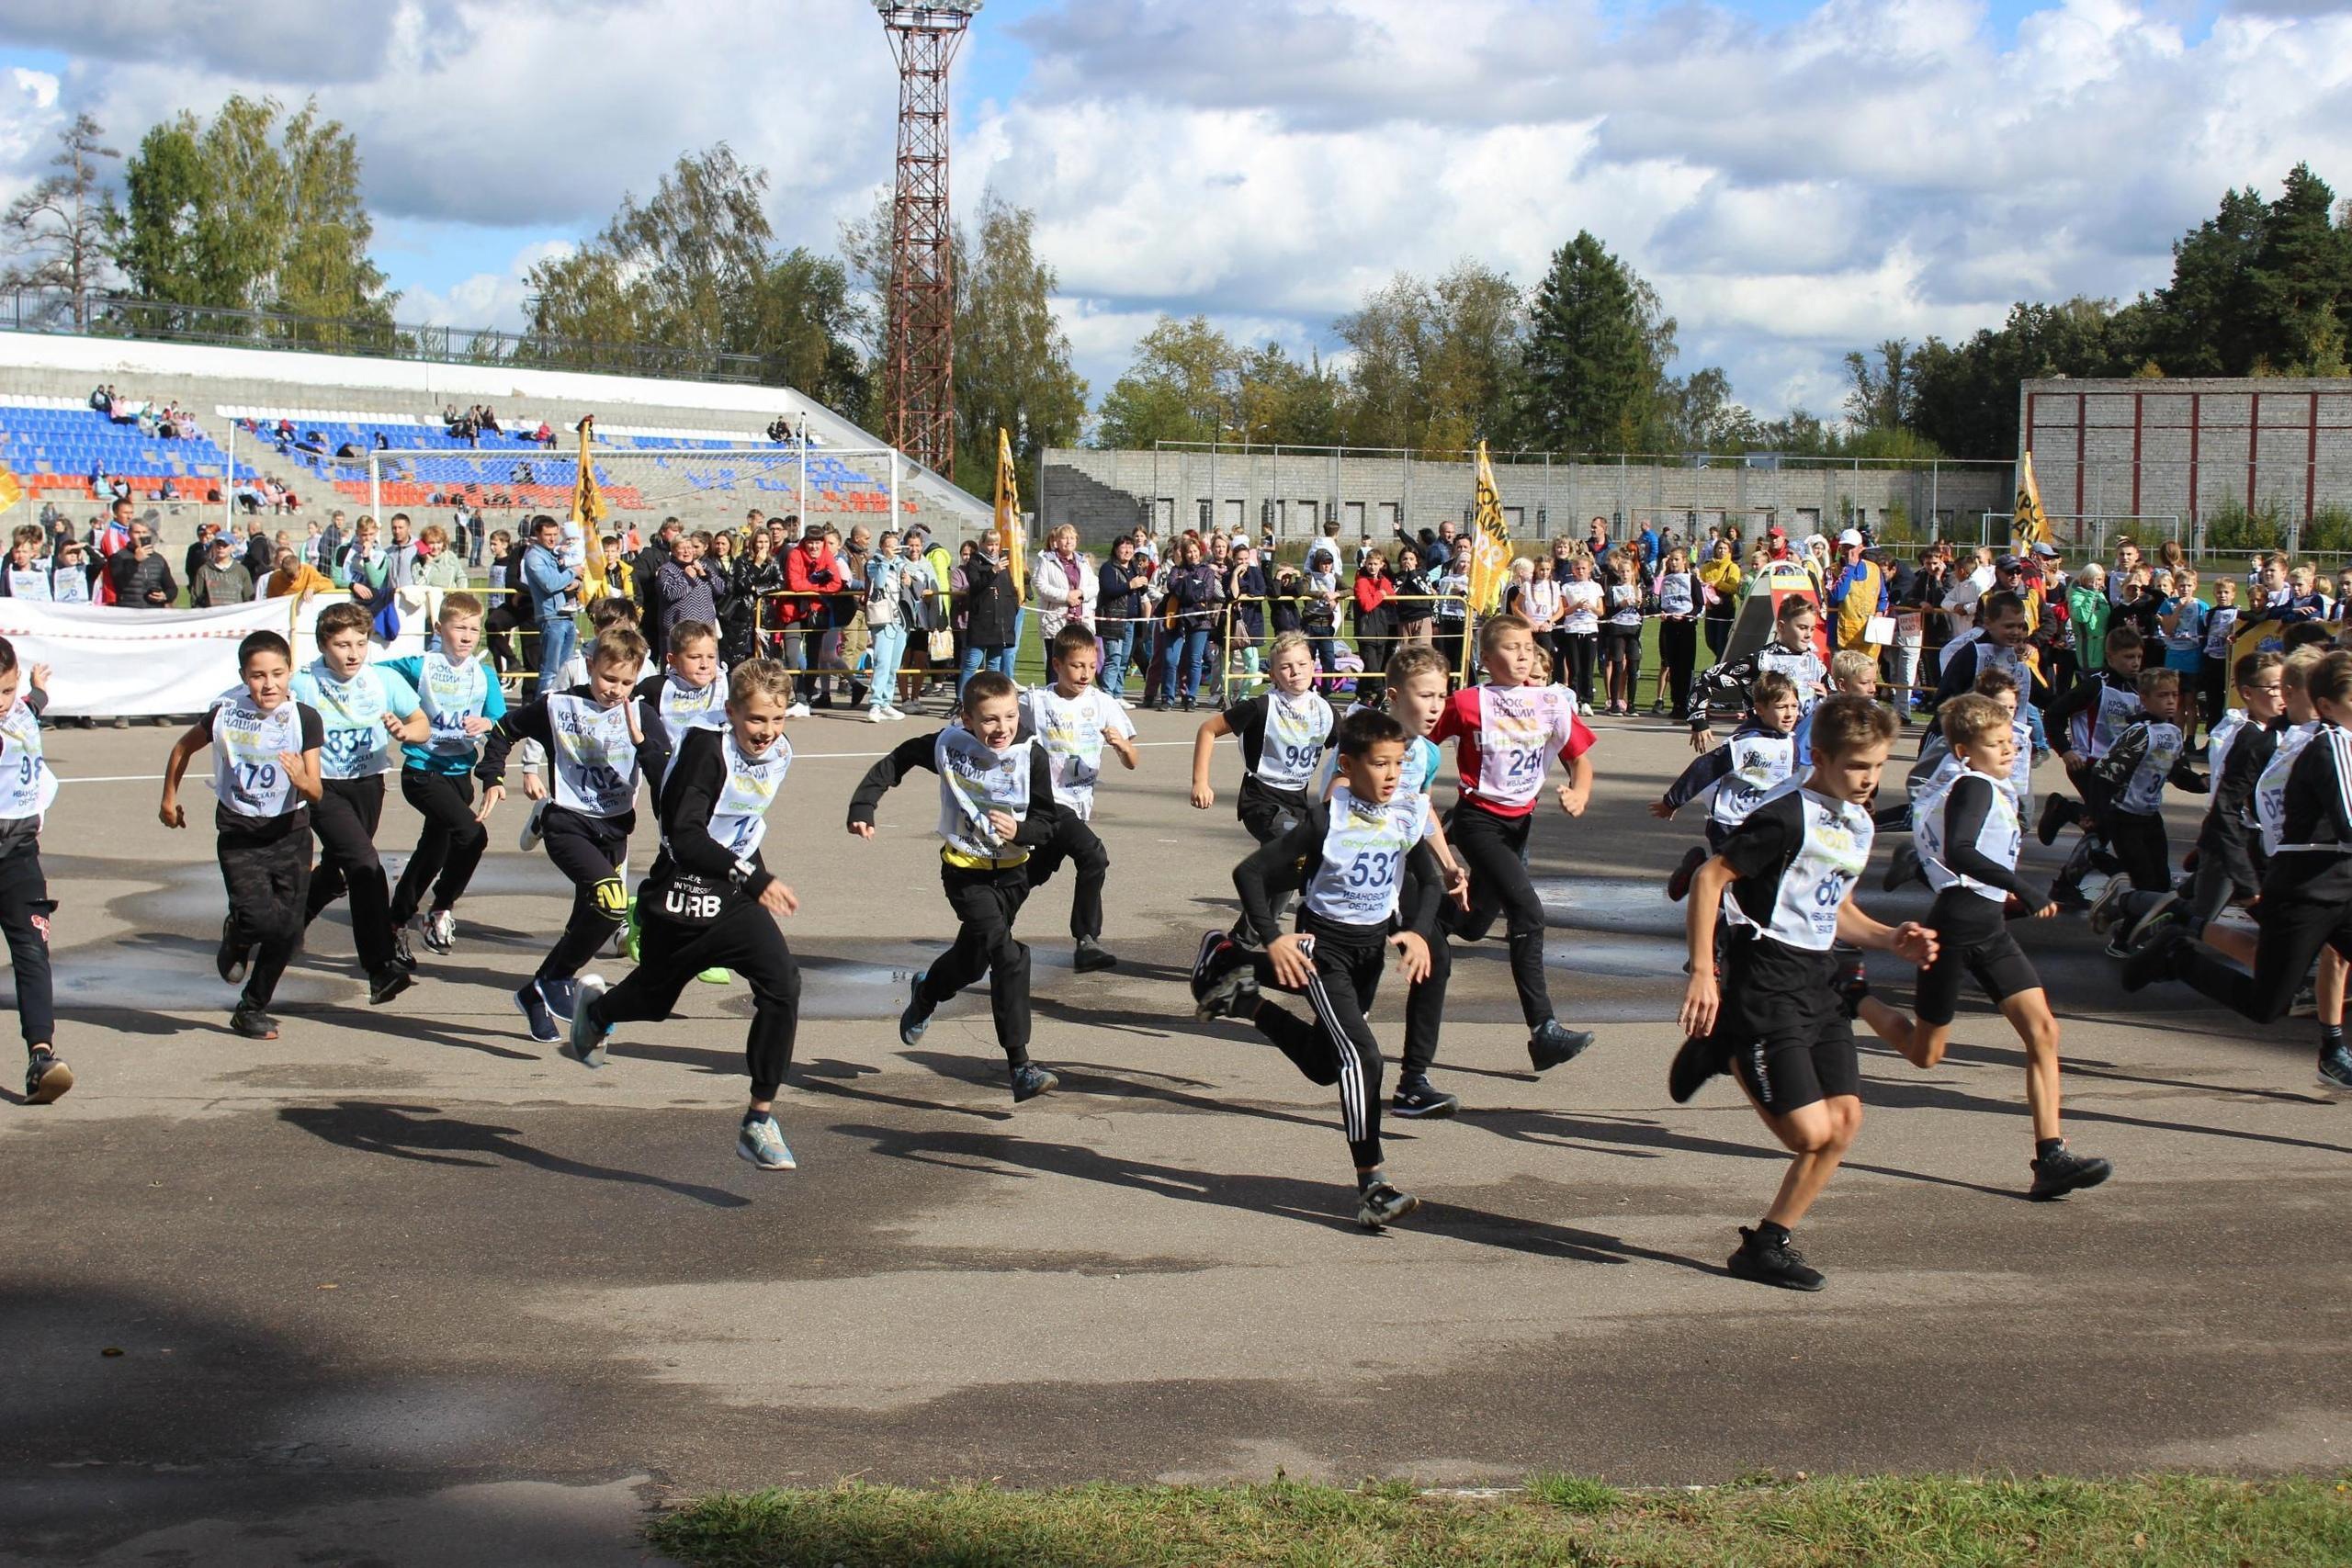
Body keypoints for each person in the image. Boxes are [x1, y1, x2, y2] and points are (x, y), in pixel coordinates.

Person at [1668, 694, 1939, 1291]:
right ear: (1819, 756)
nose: (1869, 779)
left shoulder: (1860, 821)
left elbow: (1835, 908)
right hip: (1765, 978)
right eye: (1856, 766)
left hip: (1820, 978)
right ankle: (1726, 1046)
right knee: (1808, 1133)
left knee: (1844, 1122)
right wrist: (1703, 971)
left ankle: (1767, 1242)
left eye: (1877, 766)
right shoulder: (1788, 815)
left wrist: (1893, 936)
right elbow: (1712, 877)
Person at [1190, 705, 1444, 1230]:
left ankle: (1239, 987)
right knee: (1363, 1058)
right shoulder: (1328, 820)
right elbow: (1251, 872)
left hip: (1369, 952)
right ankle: (1372, 1184)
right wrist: (1274, 937)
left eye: (1398, 763)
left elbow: (1432, 881)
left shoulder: (1405, 815)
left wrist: (1417, 930)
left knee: (1324, 1064)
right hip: (1323, 947)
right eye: (1380, 764)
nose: (1392, 774)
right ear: (1348, 767)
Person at [1850, 694, 2112, 1200]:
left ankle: (2050, 1156)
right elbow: (1961, 851)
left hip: (1989, 927)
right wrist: (2026, 886)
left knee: (2043, 1033)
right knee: (1925, 1055)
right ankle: (1852, 994)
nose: (2010, 749)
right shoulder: (1972, 785)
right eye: (1996, 744)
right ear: (1966, 750)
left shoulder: (1986, 783)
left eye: (2011, 739)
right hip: (1957, 923)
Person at [567, 660, 808, 1168]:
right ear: (731, 713)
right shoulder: (706, 750)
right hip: (680, 895)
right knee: (653, 1002)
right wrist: (755, 878)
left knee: (783, 983)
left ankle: (759, 1119)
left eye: (778, 719)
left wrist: (752, 879)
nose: (767, 733)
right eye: (756, 721)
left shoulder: (781, 751)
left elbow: (743, 826)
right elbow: (686, 837)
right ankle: (599, 1011)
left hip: (736, 894)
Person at [2122, 649, 2352, 1091]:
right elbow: (2345, 823)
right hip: (2306, 889)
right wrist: (2245, 877)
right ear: (2326, 704)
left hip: (2334, 883)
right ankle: (2178, 955)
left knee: (2328, 963)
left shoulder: (2309, 737)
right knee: (2266, 1006)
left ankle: (2331, 1046)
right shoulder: (2327, 743)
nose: (2282, 698)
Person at [845, 670, 1065, 1103]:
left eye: (1008, 717)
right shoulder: (950, 746)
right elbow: (899, 757)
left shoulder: (1030, 757)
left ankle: (926, 991)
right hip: (966, 873)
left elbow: (1047, 823)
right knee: (1008, 954)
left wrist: (1020, 829)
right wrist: (864, 803)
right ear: (967, 719)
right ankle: (1020, 1065)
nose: (1001, 728)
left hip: (1013, 875)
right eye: (989, 719)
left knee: (971, 962)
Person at [1430, 613, 1599, 1069]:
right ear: (1486, 659)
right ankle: (1544, 1030)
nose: (1523, 654)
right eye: (1511, 647)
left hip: (1518, 826)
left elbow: (1579, 760)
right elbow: (1419, 739)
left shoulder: (1550, 702)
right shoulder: (1468, 703)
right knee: (1528, 913)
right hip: (1477, 820)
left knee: (1472, 924)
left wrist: (1579, 792)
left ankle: (1419, 921)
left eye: (1528, 646)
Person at [477, 626, 654, 1043]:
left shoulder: (640, 712)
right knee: (612, 901)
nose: (616, 689)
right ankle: (556, 980)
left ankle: (535, 992)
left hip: (612, 829)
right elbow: (504, 731)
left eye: (627, 682)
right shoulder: (559, 705)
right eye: (609, 678)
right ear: (591, 666)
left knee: (584, 925)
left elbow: (663, 765)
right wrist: (493, 775)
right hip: (567, 822)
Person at [158, 631, 326, 1040]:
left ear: (290, 673)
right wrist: (168, 799)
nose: (268, 684)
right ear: (243, 677)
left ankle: (251, 1008)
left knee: (288, 932)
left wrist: (301, 778)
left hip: (290, 833)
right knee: (258, 919)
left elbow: (316, 790)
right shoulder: (224, 715)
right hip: (240, 832)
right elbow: (182, 748)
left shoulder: (304, 718)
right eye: (257, 675)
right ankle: (237, 934)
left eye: (277, 674)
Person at [2092, 650, 2284, 961]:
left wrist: (2201, 783)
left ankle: (2134, 918)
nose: (2171, 701)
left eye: (2174, 695)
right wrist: (2100, 818)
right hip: (2134, 818)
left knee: (2174, 890)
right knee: (2191, 908)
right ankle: (2132, 917)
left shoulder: (2173, 733)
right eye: (2273, 687)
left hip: (2157, 816)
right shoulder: (2234, 733)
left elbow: (2179, 773)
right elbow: (2104, 776)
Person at [290, 603, 430, 1006]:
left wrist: (406, 731)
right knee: (365, 864)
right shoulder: (303, 683)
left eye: (360, 642)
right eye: (341, 644)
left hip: (367, 785)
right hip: (322, 788)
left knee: (339, 873)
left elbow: (421, 723)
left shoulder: (381, 679)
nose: (353, 653)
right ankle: (379, 967)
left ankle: (283, 929)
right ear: (322, 645)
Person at [379, 593, 505, 954]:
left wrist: (488, 721)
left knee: (432, 852)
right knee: (472, 835)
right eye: (458, 628)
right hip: (422, 770)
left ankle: (396, 921)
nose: (467, 636)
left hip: (458, 772)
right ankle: (441, 907)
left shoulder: (484, 674)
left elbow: (501, 721)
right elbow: (376, 672)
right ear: (439, 629)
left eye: (473, 629)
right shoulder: (421, 665)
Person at [1190, 635, 1337, 933]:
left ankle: (1238, 944)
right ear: (1272, 674)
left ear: (1313, 667)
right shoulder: (1261, 707)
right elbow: (1208, 729)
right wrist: (1200, 782)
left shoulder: (1323, 711)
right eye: (1285, 667)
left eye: (1301, 664)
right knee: (1296, 856)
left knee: (1286, 877)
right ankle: (1245, 945)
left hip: (1297, 803)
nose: (1295, 672)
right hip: (1261, 800)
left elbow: (1349, 750)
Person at [1020, 623, 1139, 974]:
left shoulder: (1103, 704)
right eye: (1077, 665)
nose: (1085, 673)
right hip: (1047, 804)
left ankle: (991, 914)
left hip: (1077, 805)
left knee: (1034, 872)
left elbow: (1133, 762)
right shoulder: (1036, 702)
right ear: (1056, 664)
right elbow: (996, 720)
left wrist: (1123, 747)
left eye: (1091, 665)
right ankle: (1087, 940)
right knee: (1093, 855)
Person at [1654, 671, 1802, 904]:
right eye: (1782, 707)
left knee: (1758, 885)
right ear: (1761, 709)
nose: (1790, 713)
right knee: (1733, 884)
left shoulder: (1789, 740)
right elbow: (1704, 767)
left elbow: (1790, 782)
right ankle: (1697, 878)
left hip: (1763, 822)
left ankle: (1702, 878)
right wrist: (1672, 801)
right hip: (1731, 821)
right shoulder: (1748, 743)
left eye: (1794, 706)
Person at [0, 643, 67, 1101]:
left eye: (5, 690)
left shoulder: (22, 708)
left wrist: (37, 691)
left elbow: (30, 705)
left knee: (32, 951)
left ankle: (40, 1055)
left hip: (20, 855)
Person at [1685, 592, 1829, 750]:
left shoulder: (1815, 663)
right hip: (1764, 744)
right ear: (1781, 627)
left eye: (1812, 629)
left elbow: (1839, 698)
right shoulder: (1762, 661)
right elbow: (1708, 678)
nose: (1808, 634)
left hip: (1805, 745)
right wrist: (1699, 721)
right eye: (1802, 628)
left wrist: (1826, 697)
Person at [518, 514, 580, 702]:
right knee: (550, 671)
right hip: (552, 618)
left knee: (564, 670)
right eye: (548, 535)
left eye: (555, 534)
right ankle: (540, 711)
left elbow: (570, 580)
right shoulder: (534, 557)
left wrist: (577, 582)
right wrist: (572, 573)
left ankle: (558, 706)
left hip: (567, 617)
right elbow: (550, 583)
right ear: (538, 534)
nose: (553, 538)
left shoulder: (555, 553)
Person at [955, 529, 1022, 695]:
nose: (993, 548)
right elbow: (976, 586)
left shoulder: (1003, 565)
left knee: (994, 664)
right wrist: (992, 571)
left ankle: (990, 698)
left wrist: (1013, 608)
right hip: (981, 623)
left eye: (996, 544)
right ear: (982, 544)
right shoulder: (974, 563)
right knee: (972, 663)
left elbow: (1010, 590)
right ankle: (962, 700)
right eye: (990, 544)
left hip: (1000, 623)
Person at [1160, 535, 1222, 710]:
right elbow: (1173, 587)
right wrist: (1193, 586)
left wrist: (1186, 586)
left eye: (1195, 551)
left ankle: (1191, 697)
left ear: (1200, 552)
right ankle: (1168, 697)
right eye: (1189, 552)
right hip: (1177, 619)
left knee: (1195, 660)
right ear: (1185, 554)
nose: (1192, 555)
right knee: (1171, 659)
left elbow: (1207, 593)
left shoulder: (1207, 572)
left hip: (1199, 621)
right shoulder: (1176, 570)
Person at [861, 530, 915, 724]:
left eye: (896, 546)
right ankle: (875, 703)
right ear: (882, 547)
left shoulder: (902, 564)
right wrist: (886, 561)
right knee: (882, 662)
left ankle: (886, 702)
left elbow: (915, 587)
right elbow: (879, 583)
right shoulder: (874, 563)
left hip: (900, 620)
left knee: (893, 665)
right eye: (889, 546)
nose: (893, 549)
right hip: (883, 619)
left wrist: (908, 581)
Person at [1096, 536, 1149, 705]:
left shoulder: (1134, 566)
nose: (1127, 550)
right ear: (1116, 549)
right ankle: (1106, 695)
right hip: (1114, 619)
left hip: (1132, 620)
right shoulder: (1108, 568)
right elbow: (1108, 589)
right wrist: (1130, 585)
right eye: (1123, 547)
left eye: (1130, 547)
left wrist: (1143, 584)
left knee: (1124, 659)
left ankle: (1118, 694)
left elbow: (1139, 592)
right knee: (1114, 657)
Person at [1652, 545, 1702, 717]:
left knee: (1685, 666)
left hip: (1686, 626)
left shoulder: (1691, 579)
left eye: (1676, 559)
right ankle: (1676, 703)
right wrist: (1662, 613)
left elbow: (1699, 604)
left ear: (1684, 561)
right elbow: (1660, 601)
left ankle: (1686, 702)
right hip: (1669, 626)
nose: (1673, 562)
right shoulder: (1666, 579)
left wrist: (1688, 616)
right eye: (1671, 559)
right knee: (1671, 664)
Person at [1034, 524, 1097, 646]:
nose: (1069, 542)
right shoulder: (1046, 560)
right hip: (1056, 621)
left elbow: (1095, 586)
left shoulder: (1083, 561)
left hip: (1081, 620)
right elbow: (1040, 586)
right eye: (1064, 538)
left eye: (1072, 538)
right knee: (1056, 661)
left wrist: (1080, 593)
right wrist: (1066, 596)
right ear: (1057, 541)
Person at [1698, 538, 1743, 662]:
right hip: (1711, 608)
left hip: (1726, 608)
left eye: (1725, 548)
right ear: (1715, 550)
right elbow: (1700, 583)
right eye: (1719, 548)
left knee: (1721, 643)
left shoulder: (1732, 567)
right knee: (1711, 642)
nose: (1722, 551)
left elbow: (1734, 588)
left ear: (1729, 551)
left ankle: (1718, 668)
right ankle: (1724, 662)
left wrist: (1717, 584)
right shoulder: (1707, 566)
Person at [191, 532, 255, 607]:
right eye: (218, 544)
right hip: (212, 616)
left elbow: (249, 599)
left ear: (232, 547)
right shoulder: (204, 571)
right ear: (214, 546)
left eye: (225, 545)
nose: (221, 548)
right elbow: (195, 599)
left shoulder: (241, 571)